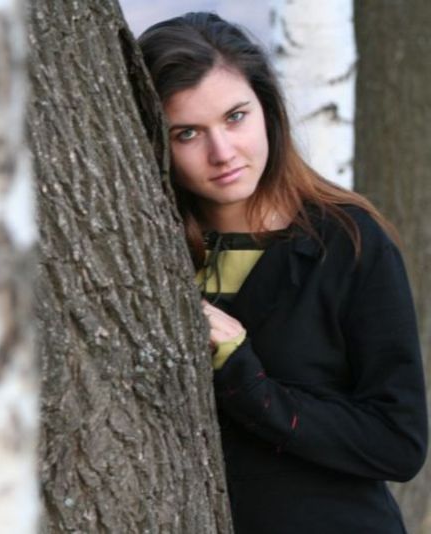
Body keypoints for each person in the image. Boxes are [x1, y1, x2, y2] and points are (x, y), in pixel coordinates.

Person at [138, 12, 427, 534]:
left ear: (267, 108)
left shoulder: (347, 241)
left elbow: (398, 442)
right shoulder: (148, 252)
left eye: (235, 117)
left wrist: (250, 384)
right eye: (188, 133)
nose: (222, 152)